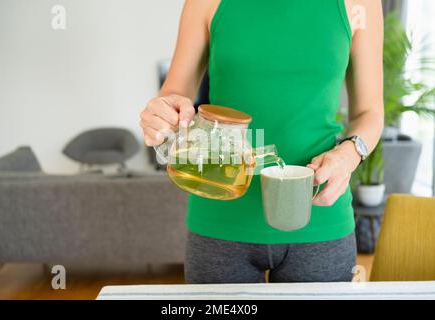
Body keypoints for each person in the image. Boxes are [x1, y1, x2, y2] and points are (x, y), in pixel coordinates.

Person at [140, 0, 384, 283]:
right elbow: (174, 91)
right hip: (219, 215)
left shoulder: (361, 3)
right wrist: (163, 112)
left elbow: (371, 113)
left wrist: (350, 152)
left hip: (319, 215)